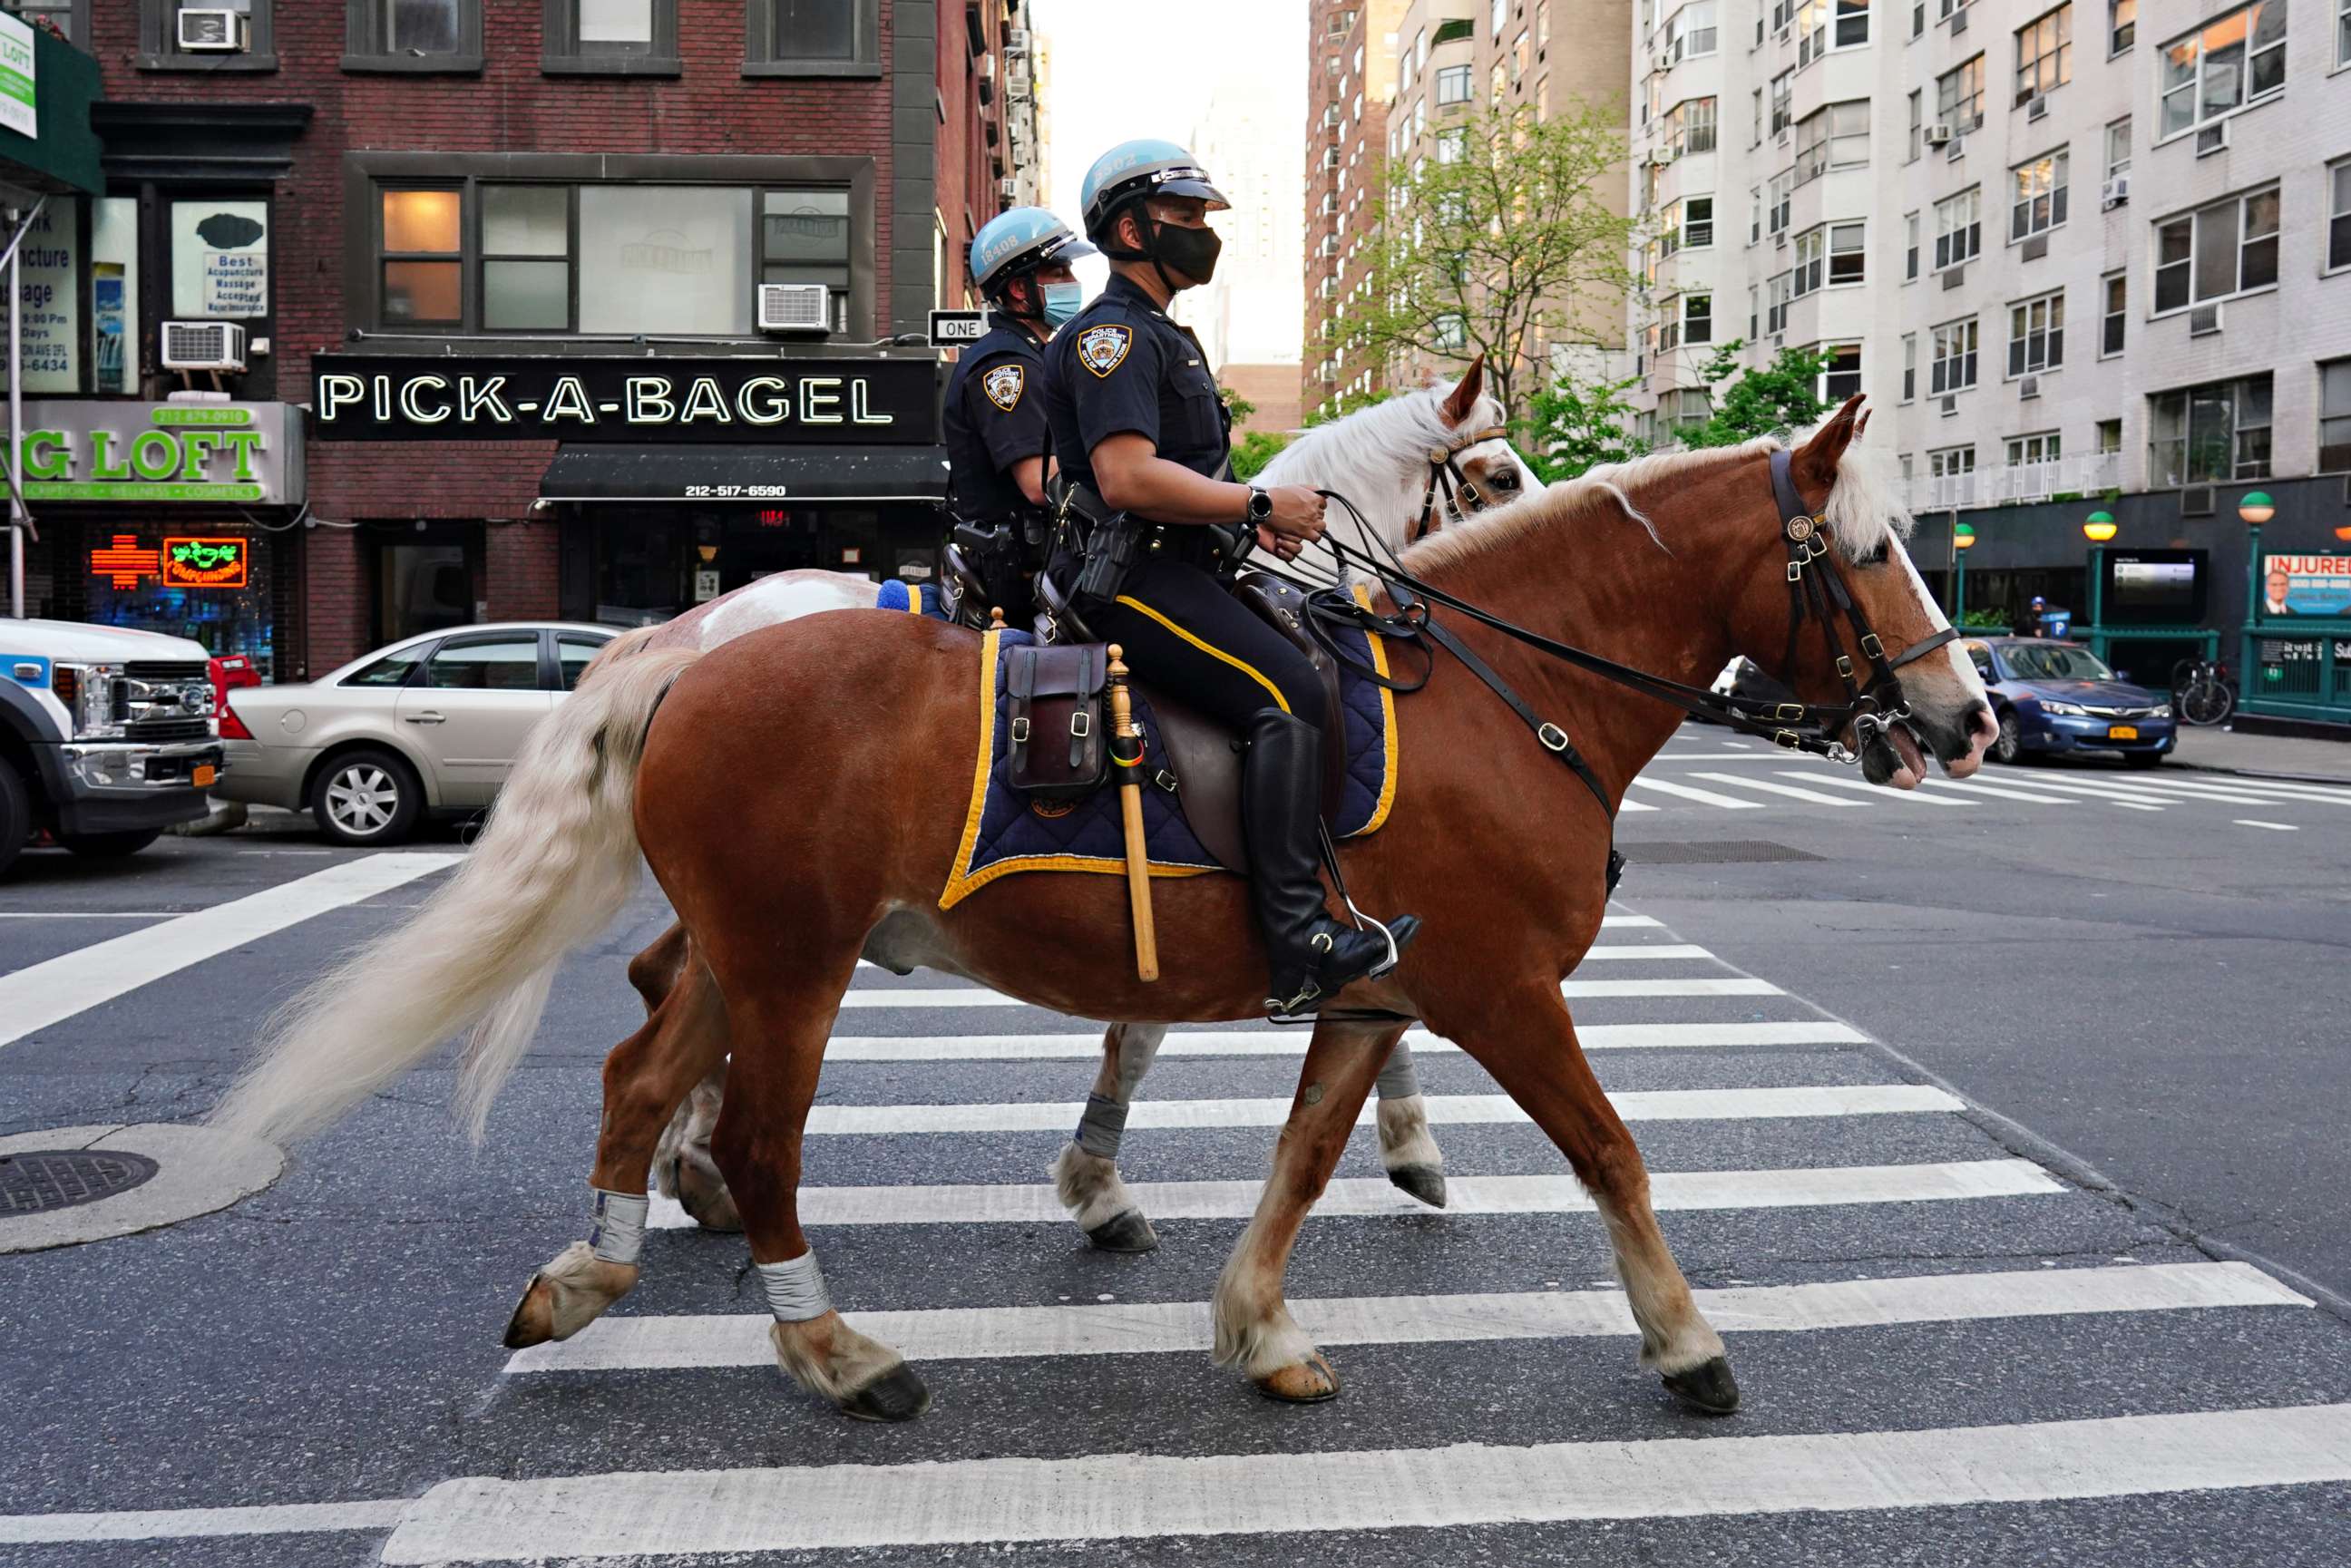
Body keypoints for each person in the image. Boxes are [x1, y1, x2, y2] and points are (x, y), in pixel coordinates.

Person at [1043, 139, 1419, 1017]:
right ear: (1130, 229)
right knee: (1286, 693)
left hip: (1178, 565)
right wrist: (1254, 504)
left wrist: (1241, 523)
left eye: (1203, 218)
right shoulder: (1111, 337)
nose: (1202, 233)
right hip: (1126, 579)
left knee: (1322, 651)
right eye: (1185, 218)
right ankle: (1298, 939)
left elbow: (1180, 482)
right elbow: (1128, 478)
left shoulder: (1163, 336)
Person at [941, 207, 1095, 626]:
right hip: (1017, 585)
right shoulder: (1007, 365)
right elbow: (1040, 484)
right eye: (1058, 273)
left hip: (1034, 568)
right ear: (1019, 290)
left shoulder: (1035, 355)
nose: (1073, 283)